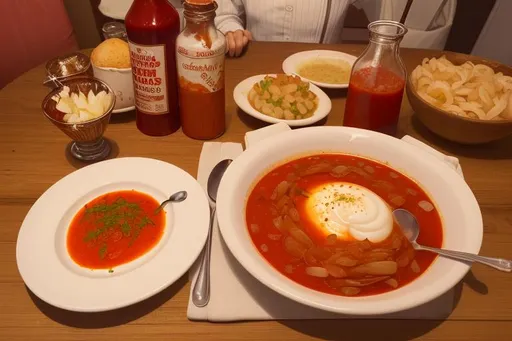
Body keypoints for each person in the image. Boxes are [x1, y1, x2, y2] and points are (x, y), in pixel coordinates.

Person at [215, 0, 457, 57]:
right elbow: (225, 10)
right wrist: (231, 30)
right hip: (255, 65)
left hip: (324, 75)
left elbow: (392, 14)